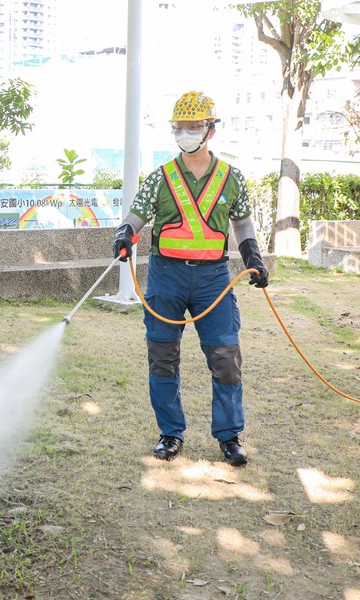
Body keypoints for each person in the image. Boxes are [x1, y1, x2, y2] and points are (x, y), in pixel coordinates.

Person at [112, 91, 268, 467]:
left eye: (194, 127)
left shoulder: (232, 178)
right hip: (166, 276)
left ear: (210, 130)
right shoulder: (160, 178)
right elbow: (137, 216)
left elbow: (243, 222)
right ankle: (170, 434)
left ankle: (229, 438)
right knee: (162, 357)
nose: (186, 133)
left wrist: (253, 257)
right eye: (180, 128)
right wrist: (124, 234)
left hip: (214, 278)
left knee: (226, 358)